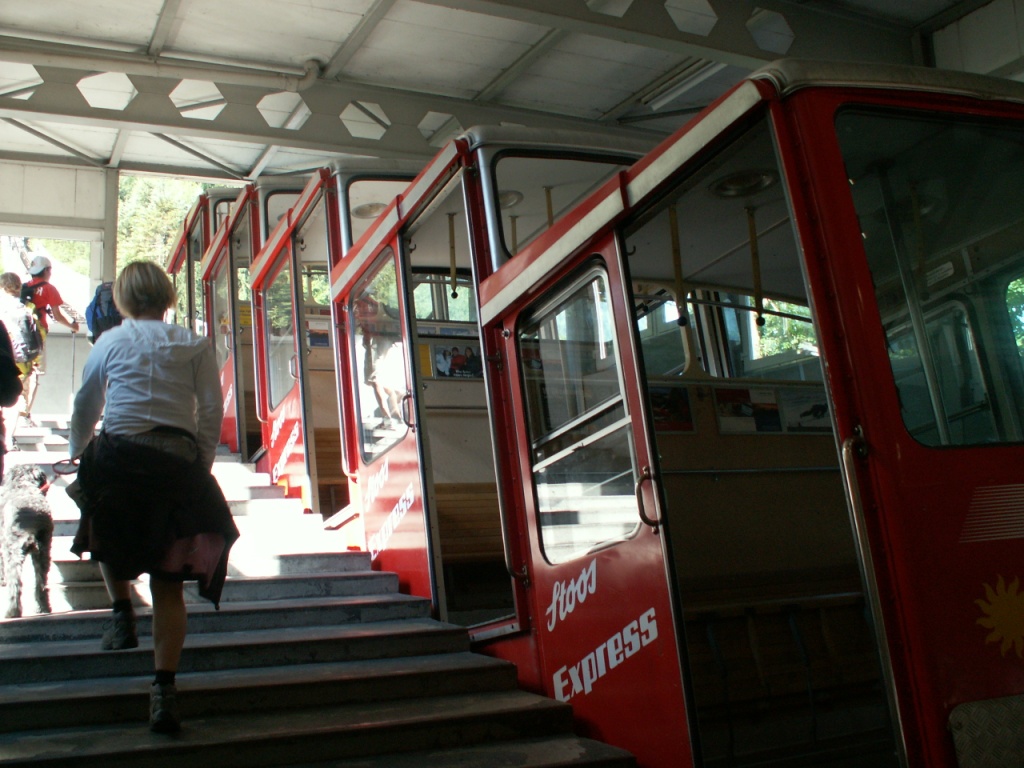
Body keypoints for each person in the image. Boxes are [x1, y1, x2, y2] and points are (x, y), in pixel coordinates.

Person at [67, 260, 239, 735]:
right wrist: (200, 465)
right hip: (174, 465)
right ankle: (164, 691)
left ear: (122, 300)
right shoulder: (194, 344)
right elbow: (211, 410)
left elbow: (86, 405)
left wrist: (77, 451)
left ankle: (122, 612)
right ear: (167, 297)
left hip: (119, 460)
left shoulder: (109, 341)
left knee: (99, 516)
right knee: (168, 585)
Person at [21, 254, 80, 426]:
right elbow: (58, 315)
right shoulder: (49, 289)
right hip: (37, 336)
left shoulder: (23, 287)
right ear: (47, 270)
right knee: (34, 373)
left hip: (20, 335)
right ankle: (25, 413)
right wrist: (73, 326)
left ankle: (17, 411)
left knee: (22, 372)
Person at [0, 273, 39, 448]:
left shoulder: (2, 307)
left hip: (6, 359)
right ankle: (10, 437)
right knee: (17, 395)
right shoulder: (28, 307)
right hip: (22, 360)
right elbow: (38, 334)